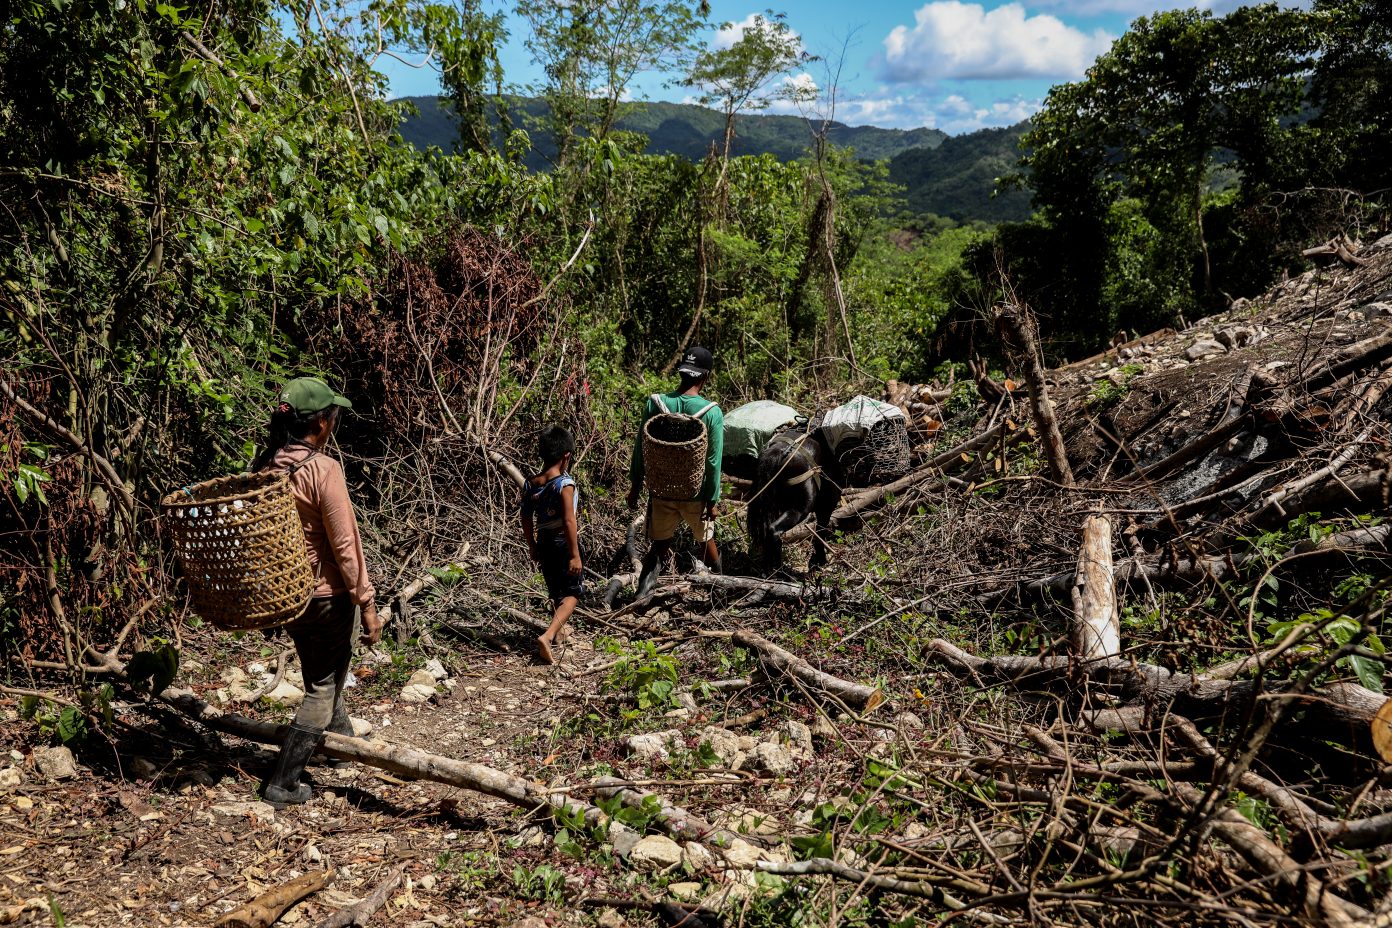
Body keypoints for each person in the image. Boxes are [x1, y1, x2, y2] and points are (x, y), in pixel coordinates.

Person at [250, 376, 382, 807]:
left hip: (288, 596)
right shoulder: (322, 469)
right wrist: (367, 602)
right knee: (323, 685)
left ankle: (339, 747)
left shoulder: (267, 465)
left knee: (321, 672)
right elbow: (346, 546)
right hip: (326, 597)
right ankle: (282, 781)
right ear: (322, 424)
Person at [627, 346, 724, 598]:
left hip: (662, 491)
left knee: (659, 547)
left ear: (682, 373)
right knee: (706, 542)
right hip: (696, 494)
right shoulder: (712, 412)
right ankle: (722, 593)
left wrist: (635, 486)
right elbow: (713, 461)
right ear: (705, 376)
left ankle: (641, 597)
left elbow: (641, 448)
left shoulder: (656, 403)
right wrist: (712, 501)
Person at [520, 426, 583, 664]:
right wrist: (575, 555)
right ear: (566, 456)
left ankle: (559, 634)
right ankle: (547, 635)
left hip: (544, 541)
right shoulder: (564, 484)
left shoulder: (531, 483)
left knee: (556, 590)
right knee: (573, 593)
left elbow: (525, 517)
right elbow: (569, 520)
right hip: (562, 542)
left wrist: (532, 545)